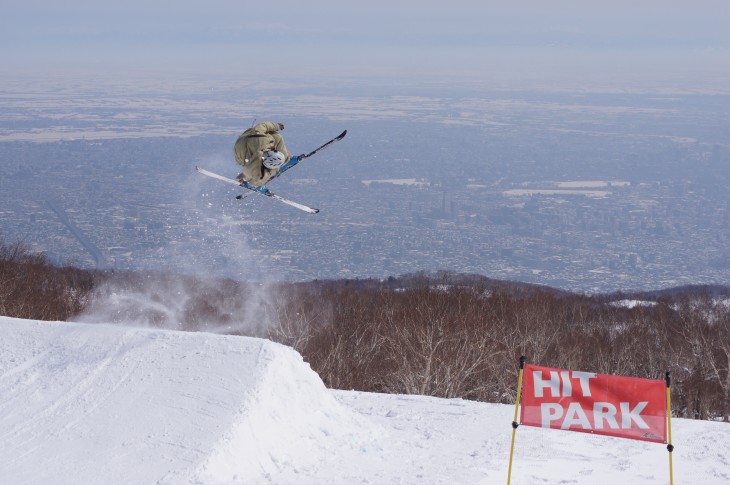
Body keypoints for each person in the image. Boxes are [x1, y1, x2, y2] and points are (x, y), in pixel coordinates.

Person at [234, 121, 292, 187]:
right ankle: (285, 159)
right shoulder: (258, 162)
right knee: (266, 172)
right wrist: (247, 180)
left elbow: (262, 126)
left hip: (244, 141)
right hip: (243, 155)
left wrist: (277, 126)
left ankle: (285, 159)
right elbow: (251, 172)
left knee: (277, 137)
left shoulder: (261, 138)